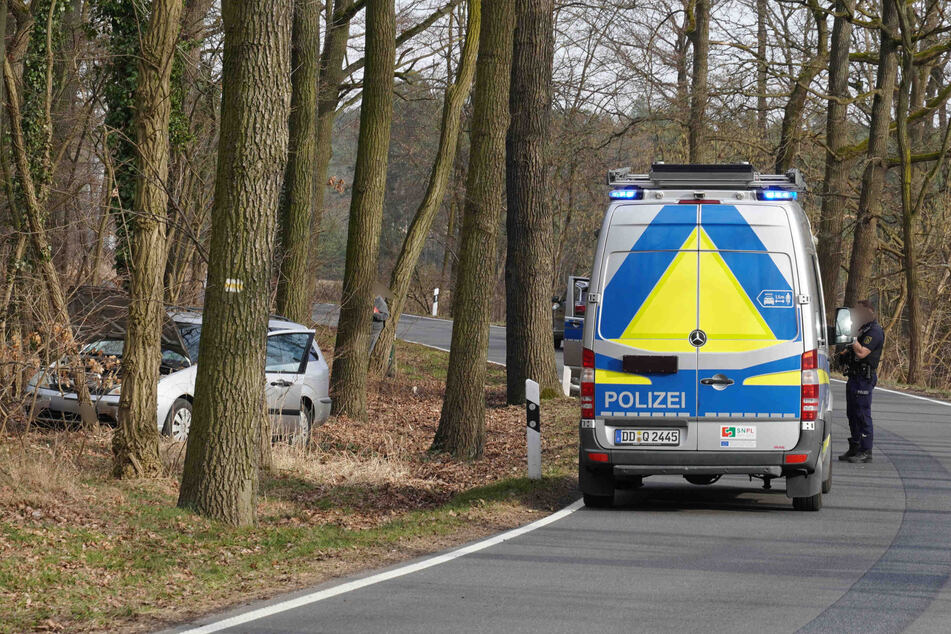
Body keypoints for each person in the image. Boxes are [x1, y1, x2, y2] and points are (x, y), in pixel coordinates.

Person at [838, 299, 885, 463]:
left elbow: (862, 353)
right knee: (851, 413)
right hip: (854, 376)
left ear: (869, 312)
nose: (856, 315)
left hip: (864, 378)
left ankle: (866, 450)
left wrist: (851, 338)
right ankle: (855, 446)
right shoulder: (861, 329)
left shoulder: (875, 331)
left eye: (859, 312)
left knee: (862, 414)